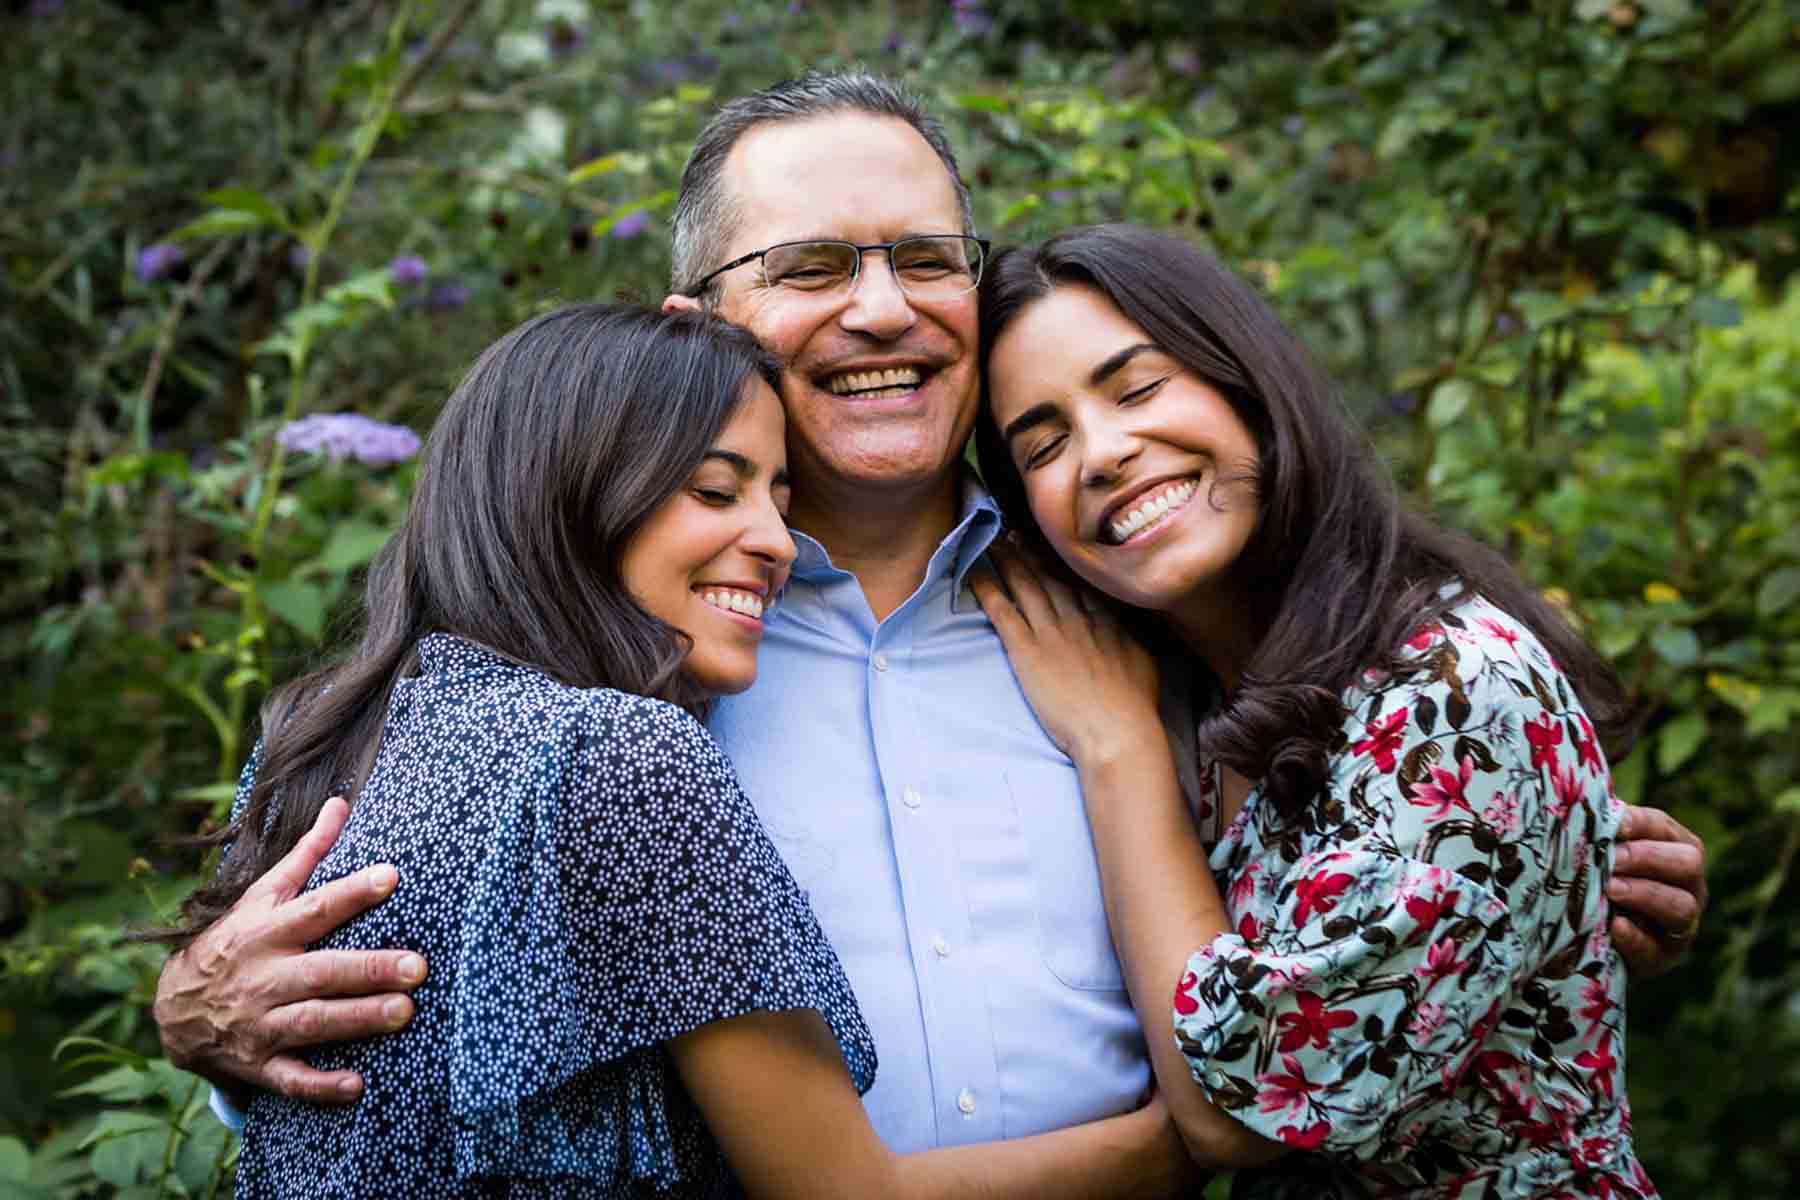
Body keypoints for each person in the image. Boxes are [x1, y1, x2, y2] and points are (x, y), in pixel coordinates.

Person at [151, 73, 1706, 1164]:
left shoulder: (1130, 596)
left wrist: (1558, 850)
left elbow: (1376, 816)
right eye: (814, 266)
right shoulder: (623, 636)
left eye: (923, 260)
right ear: (700, 324)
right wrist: (201, 1012)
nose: (883, 310)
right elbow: (378, 941)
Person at [160, 302, 1190, 1196]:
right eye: (715, 489)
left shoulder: (329, 733)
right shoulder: (618, 755)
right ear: (568, 489)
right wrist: (1193, 1136)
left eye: (779, 499)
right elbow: (839, 1190)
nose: (777, 541)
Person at [970, 224, 1659, 1196]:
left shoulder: (1452, 696)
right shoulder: (1177, 690)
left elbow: (1237, 1108)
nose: (1103, 452)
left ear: (1245, 382)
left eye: (1137, 387)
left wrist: (1116, 747)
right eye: (1043, 444)